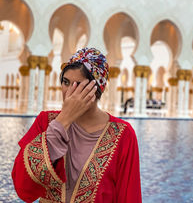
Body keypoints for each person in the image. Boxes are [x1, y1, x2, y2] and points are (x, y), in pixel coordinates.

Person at [12, 47, 142, 203]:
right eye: (66, 82)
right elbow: (22, 187)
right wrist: (63, 120)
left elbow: (129, 196)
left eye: (78, 85)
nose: (69, 92)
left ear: (99, 88)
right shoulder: (46, 122)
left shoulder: (123, 134)